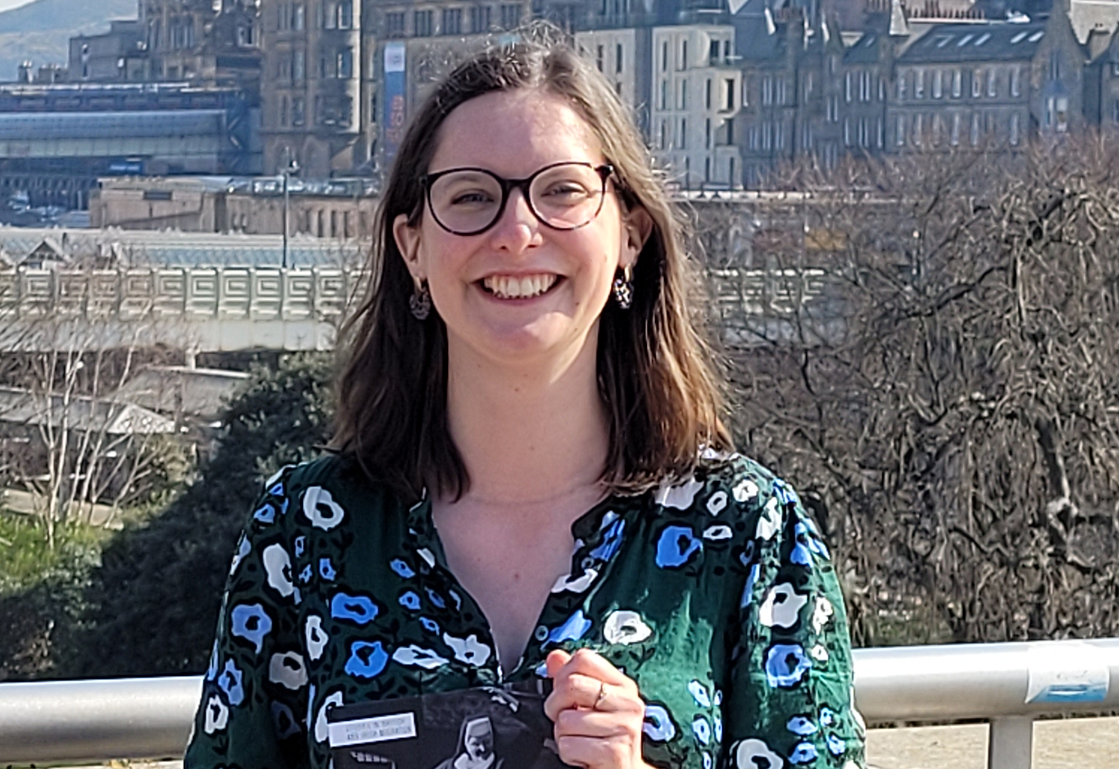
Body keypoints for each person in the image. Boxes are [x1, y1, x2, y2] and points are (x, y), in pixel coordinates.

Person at [184, 27, 865, 769]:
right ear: (411, 246)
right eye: (471, 196)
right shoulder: (307, 530)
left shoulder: (747, 534)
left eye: (562, 191)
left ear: (629, 235)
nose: (516, 232)